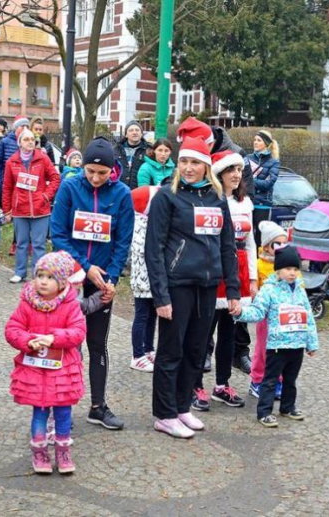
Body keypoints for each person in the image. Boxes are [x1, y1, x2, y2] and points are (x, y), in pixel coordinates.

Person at [145, 136, 240, 439]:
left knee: (195, 350)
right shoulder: (166, 197)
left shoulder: (217, 198)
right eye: (184, 161)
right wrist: (160, 295)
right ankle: (164, 413)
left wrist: (234, 290)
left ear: (206, 166)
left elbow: (227, 246)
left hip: (208, 285)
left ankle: (182, 406)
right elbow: (154, 249)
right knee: (171, 350)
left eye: (195, 162)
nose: (188, 167)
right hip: (176, 285)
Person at [50, 137, 134, 431]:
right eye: (90, 172)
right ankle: (60, 407)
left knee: (97, 343)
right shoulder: (71, 187)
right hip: (69, 277)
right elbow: (58, 234)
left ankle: (98, 406)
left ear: (112, 170)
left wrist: (109, 278)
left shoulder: (122, 194)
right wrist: (86, 268)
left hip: (103, 278)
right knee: (67, 343)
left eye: (102, 173)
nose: (96, 178)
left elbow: (123, 241)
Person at [5, 251, 87, 474]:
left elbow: (79, 331)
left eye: (50, 277)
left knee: (63, 412)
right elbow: (12, 329)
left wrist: (54, 338)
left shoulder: (70, 305)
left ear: (61, 282)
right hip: (35, 369)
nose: (43, 281)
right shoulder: (27, 304)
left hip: (62, 371)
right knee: (39, 411)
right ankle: (39, 452)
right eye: (40, 275)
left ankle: (63, 450)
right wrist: (27, 341)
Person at [192, 151, 255, 411]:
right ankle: (195, 385)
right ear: (219, 174)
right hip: (215, 267)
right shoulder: (211, 200)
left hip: (238, 272)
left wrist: (252, 277)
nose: (236, 175)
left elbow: (251, 242)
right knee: (204, 332)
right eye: (231, 170)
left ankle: (222, 384)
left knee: (230, 332)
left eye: (239, 170)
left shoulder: (246, 203)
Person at [234, 246, 318, 427]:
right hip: (277, 346)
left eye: (295, 269)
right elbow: (257, 312)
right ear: (278, 270)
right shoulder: (269, 290)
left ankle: (287, 407)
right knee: (270, 380)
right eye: (288, 269)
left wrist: (311, 344)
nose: (292, 273)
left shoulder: (300, 291)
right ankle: (264, 411)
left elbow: (308, 318)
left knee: (291, 380)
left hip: (297, 346)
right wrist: (240, 312)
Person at [2, 128, 60, 283]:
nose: (30, 142)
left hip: (40, 209)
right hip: (20, 209)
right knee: (21, 243)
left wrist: (46, 195)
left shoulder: (43, 159)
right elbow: (7, 187)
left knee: (39, 244)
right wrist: (7, 210)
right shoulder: (11, 162)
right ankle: (20, 272)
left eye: (32, 139)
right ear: (19, 143)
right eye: (26, 139)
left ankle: (38, 275)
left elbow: (55, 178)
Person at [248, 221, 288, 398]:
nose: (281, 247)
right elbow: (253, 287)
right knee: (263, 348)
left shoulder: (286, 263)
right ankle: (257, 380)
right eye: (276, 244)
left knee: (280, 349)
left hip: (282, 315)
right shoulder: (259, 264)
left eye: (284, 243)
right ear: (266, 246)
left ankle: (277, 380)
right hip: (265, 315)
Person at [129, 185, 160, 372]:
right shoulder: (140, 223)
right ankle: (137, 354)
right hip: (142, 278)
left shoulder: (150, 221)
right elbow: (142, 250)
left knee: (152, 314)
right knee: (141, 315)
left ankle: (148, 348)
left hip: (152, 277)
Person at [244, 130, 280, 247]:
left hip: (262, 204)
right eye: (254, 140)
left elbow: (268, 184)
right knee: (246, 235)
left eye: (259, 140)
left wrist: (251, 180)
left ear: (266, 143)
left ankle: (259, 262)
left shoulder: (273, 162)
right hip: (248, 201)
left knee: (260, 236)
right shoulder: (248, 158)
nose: (255, 142)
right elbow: (241, 178)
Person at [0, 115, 31, 207]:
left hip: (23, 184)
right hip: (6, 183)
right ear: (16, 128)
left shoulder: (29, 142)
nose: (25, 129)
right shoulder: (5, 142)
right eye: (22, 126)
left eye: (27, 127)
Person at [115, 120, 150, 189]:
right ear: (126, 134)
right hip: (119, 191)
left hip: (139, 191)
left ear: (141, 134)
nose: (134, 132)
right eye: (131, 130)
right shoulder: (116, 150)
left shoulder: (149, 151)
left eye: (137, 130)